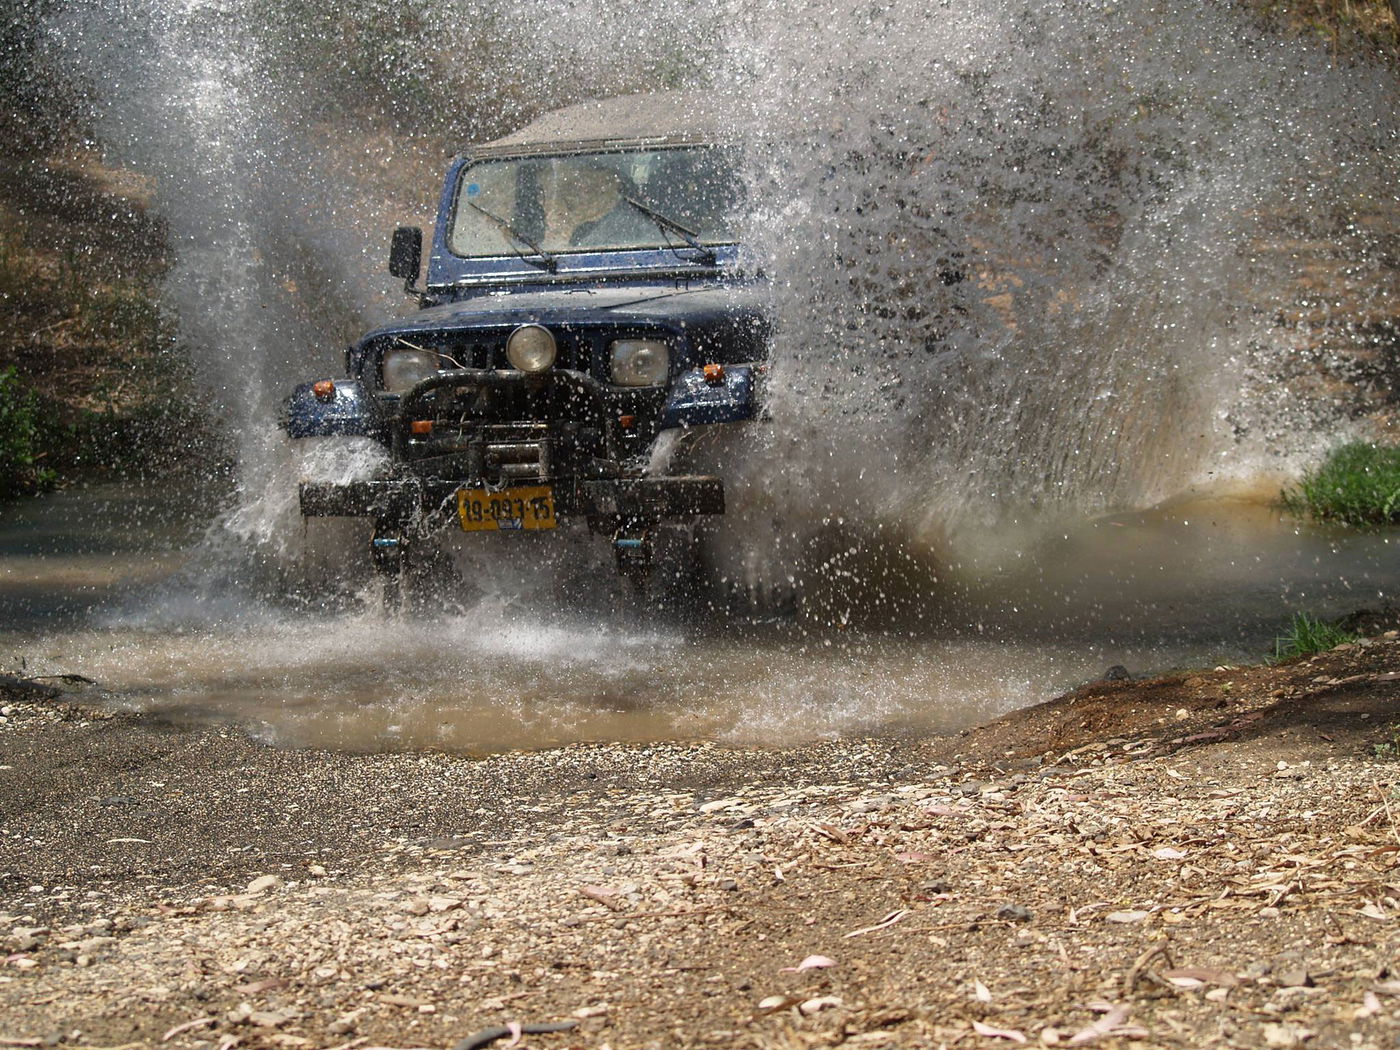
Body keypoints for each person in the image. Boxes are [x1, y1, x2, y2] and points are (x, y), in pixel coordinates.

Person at [550, 164, 658, 249]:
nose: (574, 196)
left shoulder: (631, 226)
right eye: (570, 188)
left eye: (588, 186)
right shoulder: (577, 229)